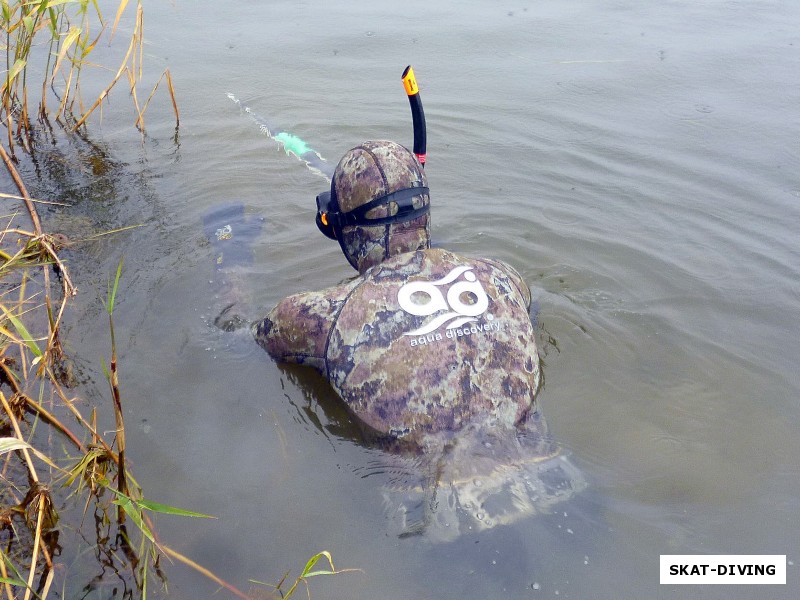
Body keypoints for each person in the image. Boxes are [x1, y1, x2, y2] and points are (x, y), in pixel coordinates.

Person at [251, 140, 582, 539]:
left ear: (339, 229)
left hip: (435, 520)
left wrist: (229, 254)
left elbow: (246, 339)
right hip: (557, 487)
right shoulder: (502, 277)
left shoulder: (320, 316)